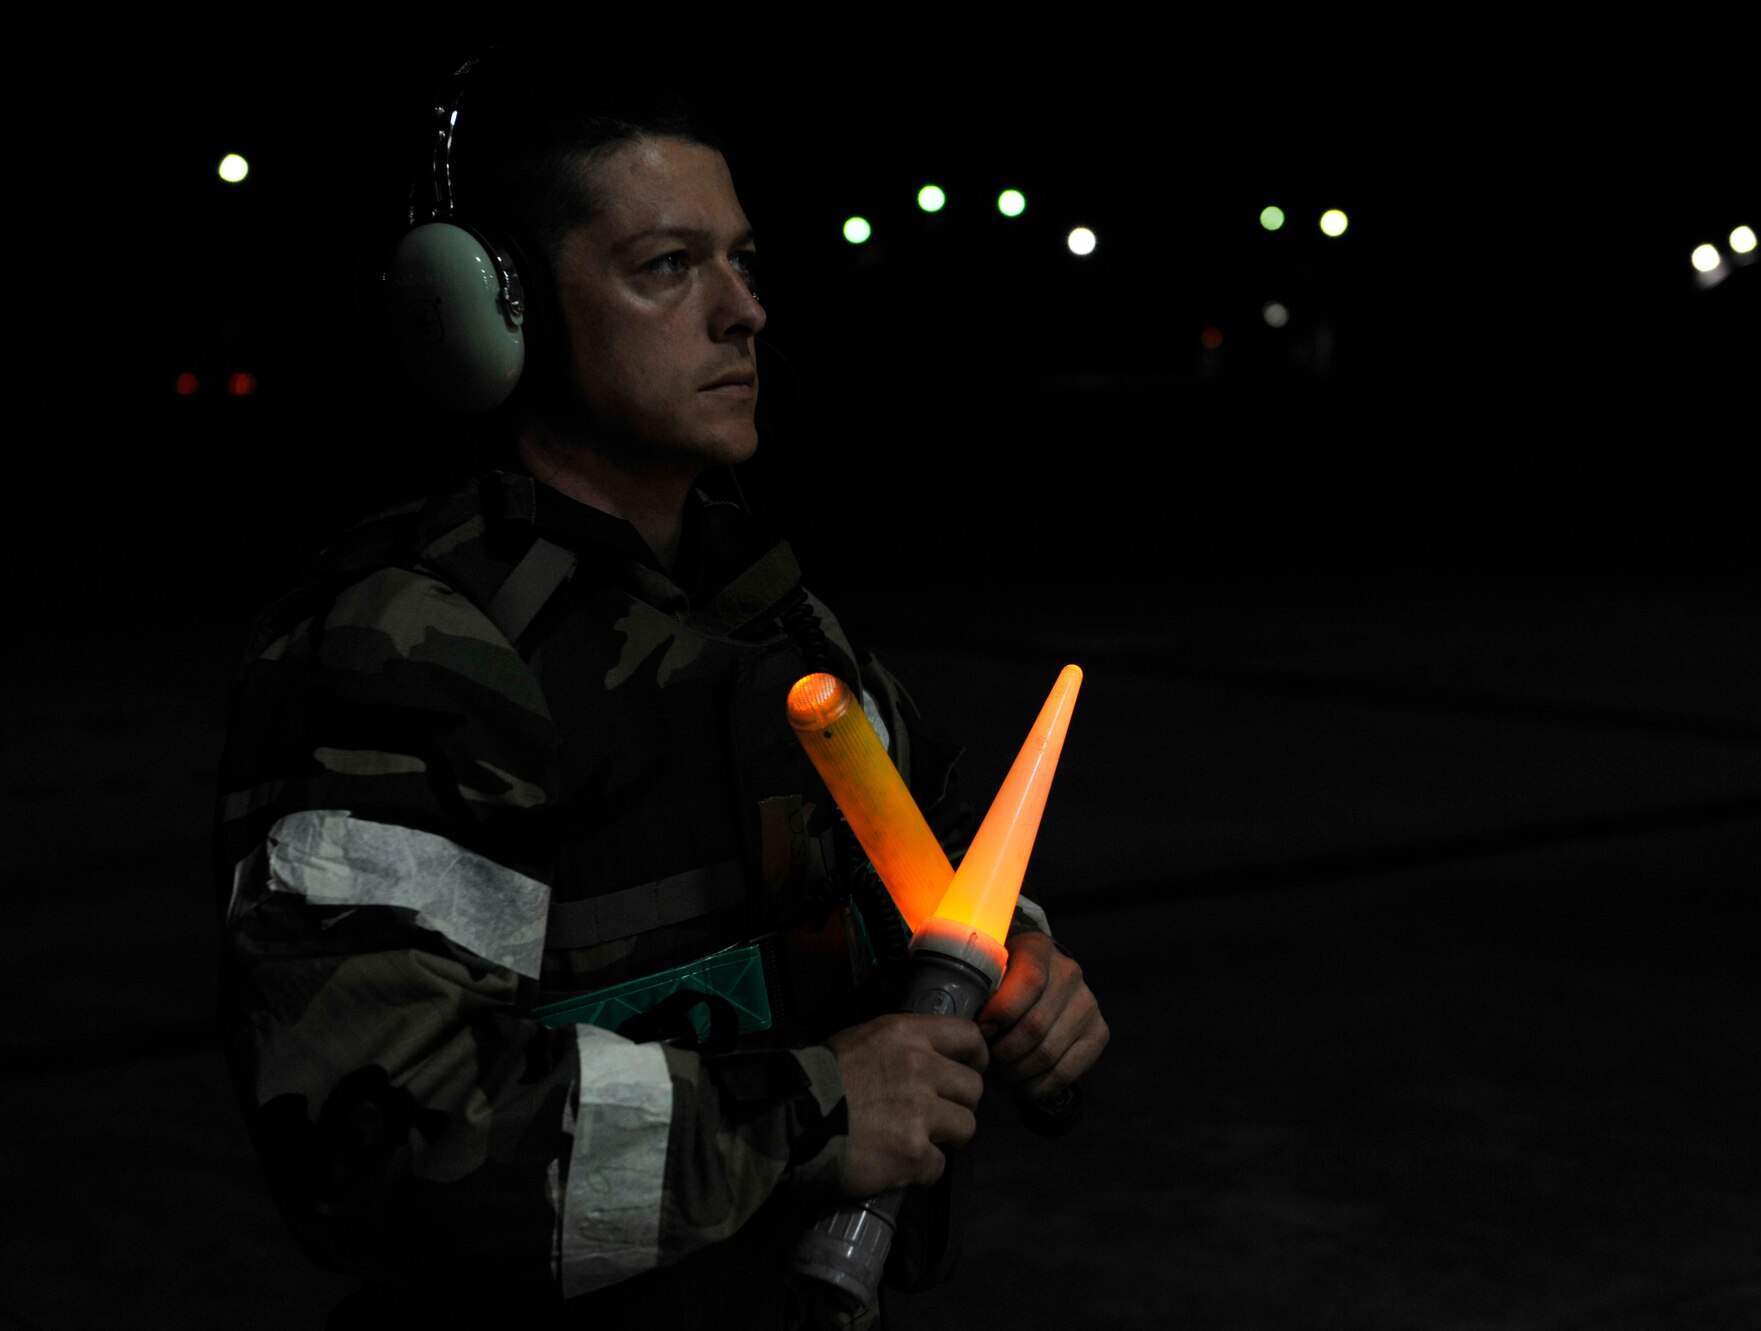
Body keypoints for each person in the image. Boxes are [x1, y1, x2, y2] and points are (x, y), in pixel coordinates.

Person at [213, 44, 1107, 1330]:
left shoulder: (766, 611)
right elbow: (380, 1148)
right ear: (492, 317)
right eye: (667, 267)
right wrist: (816, 1108)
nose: (741, 310)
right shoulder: (406, 654)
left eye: (742, 260)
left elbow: (931, 875)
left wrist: (1017, 963)